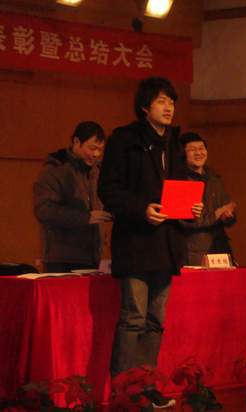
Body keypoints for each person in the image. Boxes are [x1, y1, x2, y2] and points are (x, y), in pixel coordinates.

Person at [98, 77, 202, 407]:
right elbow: (109, 190)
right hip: (136, 242)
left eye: (171, 101)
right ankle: (123, 390)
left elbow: (178, 190)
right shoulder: (124, 140)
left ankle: (147, 385)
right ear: (145, 106)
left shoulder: (174, 143)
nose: (168, 107)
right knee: (133, 318)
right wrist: (142, 209)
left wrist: (190, 208)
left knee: (156, 322)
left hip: (167, 244)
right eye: (161, 101)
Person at [33, 121, 111, 273]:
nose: (96, 154)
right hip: (61, 258)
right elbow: (44, 210)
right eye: (92, 148)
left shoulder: (97, 171)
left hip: (92, 256)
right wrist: (85, 217)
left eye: (100, 149)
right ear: (76, 142)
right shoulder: (55, 170)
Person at [179, 132, 236, 266]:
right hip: (194, 250)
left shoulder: (213, 178)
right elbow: (187, 221)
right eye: (193, 150)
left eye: (201, 148)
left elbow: (226, 206)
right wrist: (217, 213)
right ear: (183, 154)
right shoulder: (180, 180)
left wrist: (228, 216)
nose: (198, 153)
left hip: (219, 247)